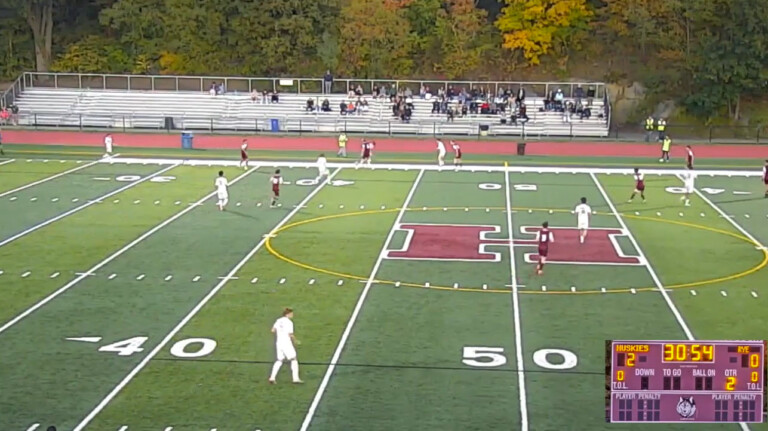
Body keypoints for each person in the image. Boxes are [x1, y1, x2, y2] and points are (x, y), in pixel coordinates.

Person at [268, 308, 303, 384]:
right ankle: (295, 378)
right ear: (287, 314)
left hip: (279, 343)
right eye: (291, 314)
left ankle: (272, 377)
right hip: (286, 343)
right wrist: (295, 341)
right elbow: (290, 334)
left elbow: (273, 330)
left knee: (279, 360)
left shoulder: (278, 320)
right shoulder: (289, 322)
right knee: (293, 359)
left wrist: (280, 332)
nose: (292, 315)